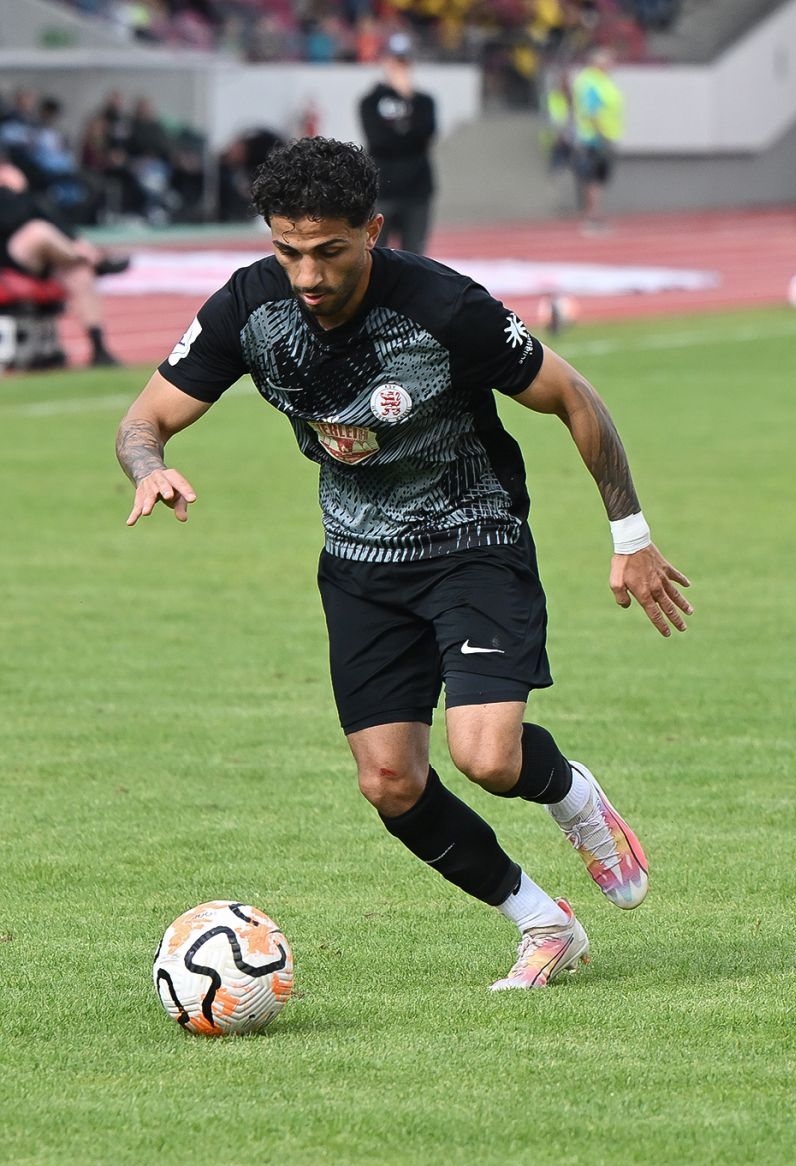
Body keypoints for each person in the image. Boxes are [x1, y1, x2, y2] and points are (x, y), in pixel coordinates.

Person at [115, 137, 693, 990]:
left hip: (472, 539)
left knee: (487, 757)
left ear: (372, 231)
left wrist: (631, 535)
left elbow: (573, 395)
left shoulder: (442, 307)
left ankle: (575, 799)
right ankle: (543, 922)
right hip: (358, 562)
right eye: (287, 251)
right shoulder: (249, 306)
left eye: (327, 251)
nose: (306, 274)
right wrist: (148, 465)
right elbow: (145, 418)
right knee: (389, 780)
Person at [0, 161, 127, 366]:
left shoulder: (31, 197)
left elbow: (58, 224)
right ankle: (96, 261)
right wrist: (11, 193)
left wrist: (20, 192)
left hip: (46, 259)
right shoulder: (11, 199)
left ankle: (98, 347)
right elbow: (10, 220)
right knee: (37, 232)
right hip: (9, 258)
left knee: (80, 272)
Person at [358, 33, 438, 254]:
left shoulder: (423, 101)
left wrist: (408, 99)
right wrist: (406, 137)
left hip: (416, 189)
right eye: (395, 61)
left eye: (404, 62)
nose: (399, 68)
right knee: (374, 254)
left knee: (415, 256)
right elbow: (378, 140)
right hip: (383, 189)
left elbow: (426, 135)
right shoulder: (370, 101)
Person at [570, 46, 622, 233]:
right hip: (594, 137)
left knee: (597, 179)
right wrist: (600, 134)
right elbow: (591, 111)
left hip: (600, 135)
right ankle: (593, 217)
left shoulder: (600, 81)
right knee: (593, 178)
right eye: (607, 61)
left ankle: (595, 215)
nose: (612, 65)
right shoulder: (591, 82)